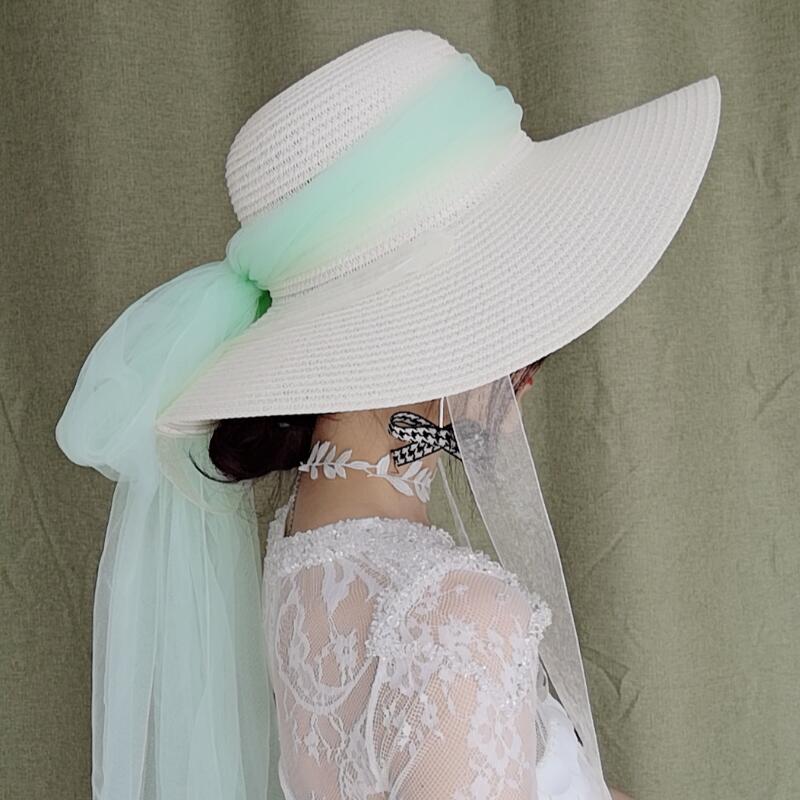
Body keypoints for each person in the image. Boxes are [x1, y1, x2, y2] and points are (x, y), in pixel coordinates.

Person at [55, 27, 719, 800]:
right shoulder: (454, 615)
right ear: (417, 318)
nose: (532, 351)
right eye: (509, 286)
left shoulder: (308, 566)